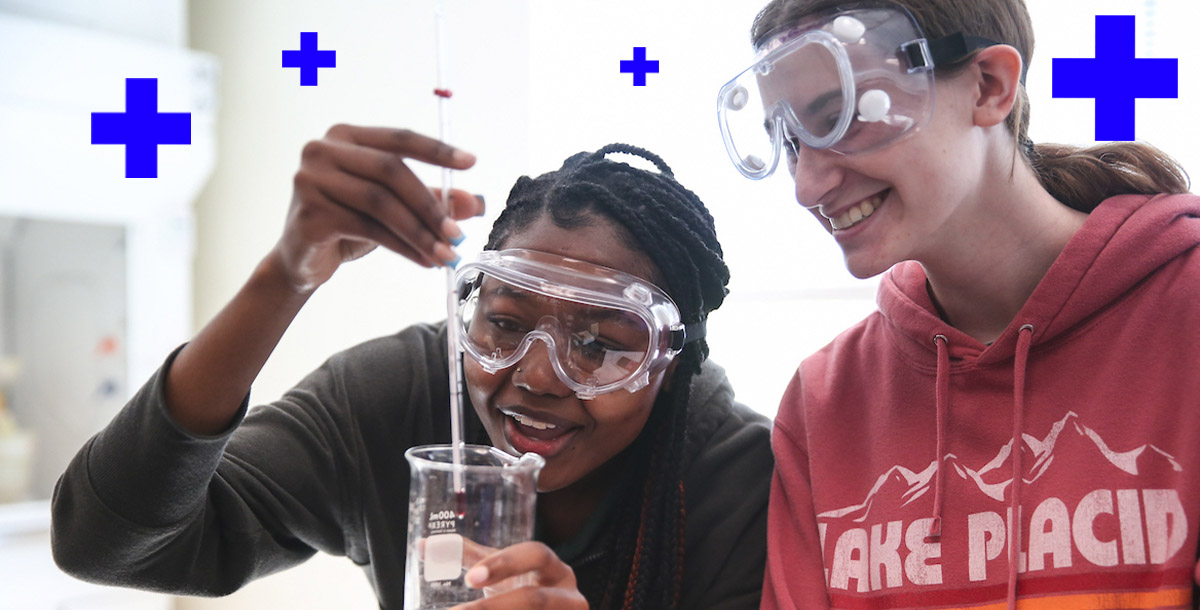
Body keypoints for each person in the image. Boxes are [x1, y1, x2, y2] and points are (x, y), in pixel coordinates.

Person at [50, 126, 773, 610]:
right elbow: (105, 541)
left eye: (602, 343)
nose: (541, 376)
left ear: (671, 361)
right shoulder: (399, 397)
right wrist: (286, 275)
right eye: (507, 324)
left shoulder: (740, 484)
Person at [714, 1, 1199, 608]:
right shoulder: (827, 399)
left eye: (841, 117)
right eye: (790, 142)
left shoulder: (1187, 319)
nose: (806, 186)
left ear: (988, 86)